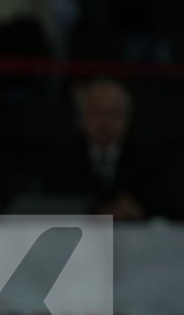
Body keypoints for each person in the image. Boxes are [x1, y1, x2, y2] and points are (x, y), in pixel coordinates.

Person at [42, 77, 162, 219]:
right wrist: (98, 212)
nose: (104, 122)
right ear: (81, 118)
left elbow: (164, 208)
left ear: (127, 118)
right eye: (95, 112)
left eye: (113, 113)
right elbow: (52, 205)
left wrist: (137, 210)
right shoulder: (61, 158)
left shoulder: (148, 158)